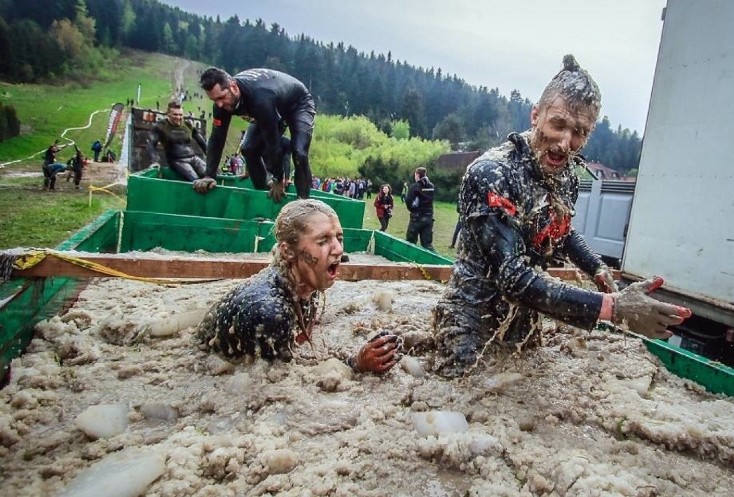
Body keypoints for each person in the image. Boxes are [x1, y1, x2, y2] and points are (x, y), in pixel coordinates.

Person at [431, 54, 692, 378]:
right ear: (536, 114)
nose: (566, 143)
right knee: (461, 406)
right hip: (469, 318)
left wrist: (599, 272)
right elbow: (512, 276)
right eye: (558, 124)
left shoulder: (565, 175)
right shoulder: (493, 173)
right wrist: (612, 308)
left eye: (580, 132)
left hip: (522, 322)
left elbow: (560, 231)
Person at [196, 199, 401, 373]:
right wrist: (356, 364)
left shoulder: (303, 283)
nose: (339, 250)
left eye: (339, 238)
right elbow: (279, 382)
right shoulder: (269, 311)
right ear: (288, 251)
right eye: (323, 241)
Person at [195, 67, 316, 201]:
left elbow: (272, 142)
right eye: (215, 100)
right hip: (271, 106)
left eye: (222, 98)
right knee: (248, 149)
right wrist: (209, 175)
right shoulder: (221, 104)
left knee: (299, 152)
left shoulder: (260, 99)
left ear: (233, 87)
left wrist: (278, 178)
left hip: (298, 104)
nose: (220, 104)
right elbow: (217, 138)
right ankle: (263, 195)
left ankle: (304, 203)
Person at [147, 100, 208, 182]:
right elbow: (151, 144)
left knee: (210, 176)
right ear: (168, 114)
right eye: (175, 114)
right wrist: (154, 161)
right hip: (177, 160)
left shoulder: (187, 125)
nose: (178, 117)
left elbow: (202, 143)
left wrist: (211, 159)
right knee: (195, 180)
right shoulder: (161, 126)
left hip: (193, 158)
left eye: (180, 115)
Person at [404, 166, 435, 251]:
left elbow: (408, 200)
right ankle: (433, 262)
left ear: (417, 175)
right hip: (429, 217)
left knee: (410, 242)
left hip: (417, 218)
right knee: (427, 244)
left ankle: (408, 261)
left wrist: (412, 210)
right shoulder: (431, 186)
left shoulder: (416, 186)